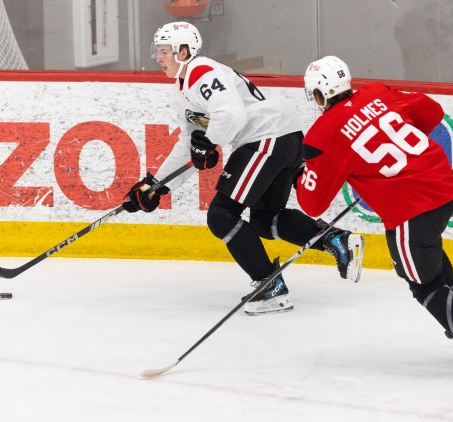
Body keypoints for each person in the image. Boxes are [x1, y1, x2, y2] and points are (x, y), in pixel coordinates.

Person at [121, 22, 364, 316]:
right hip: (279, 136)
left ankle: (270, 287)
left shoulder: (201, 71)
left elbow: (229, 114)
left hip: (266, 137)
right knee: (266, 220)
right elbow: (190, 142)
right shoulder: (182, 90)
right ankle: (337, 240)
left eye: (163, 51)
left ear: (183, 51)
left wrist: (210, 142)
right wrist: (156, 185)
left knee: (222, 215)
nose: (157, 58)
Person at [296, 55, 453, 371]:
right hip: (445, 187)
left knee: (423, 284)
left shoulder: (322, 134)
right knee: (427, 253)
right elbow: (432, 112)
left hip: (411, 209)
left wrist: (299, 175)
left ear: (318, 95)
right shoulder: (378, 92)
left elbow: (312, 205)